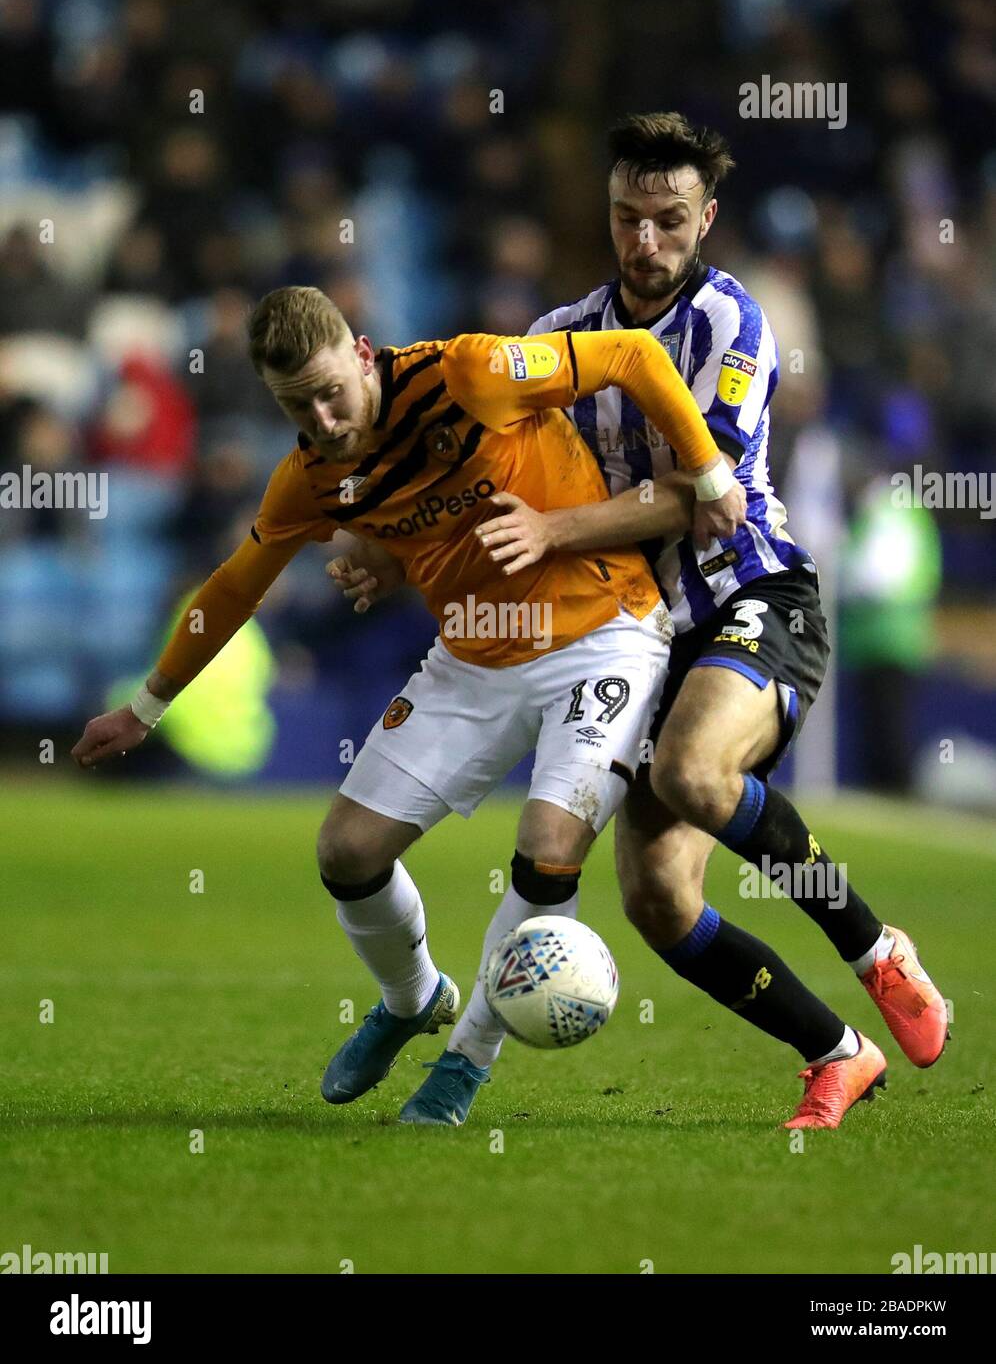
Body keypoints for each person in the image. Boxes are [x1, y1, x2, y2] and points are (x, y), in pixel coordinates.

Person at [335, 114, 948, 1131]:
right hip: (640, 633)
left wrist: (560, 526)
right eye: (629, 218)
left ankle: (877, 950)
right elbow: (476, 475)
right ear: (609, 215)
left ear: (705, 217)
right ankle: (838, 1054)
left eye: (669, 219)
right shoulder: (557, 338)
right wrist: (390, 550)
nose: (647, 241)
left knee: (693, 773)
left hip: (754, 598)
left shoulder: (733, 326)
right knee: (658, 903)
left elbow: (704, 498)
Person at [71, 283, 745, 1122]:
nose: (321, 418)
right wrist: (146, 706)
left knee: (547, 845)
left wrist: (710, 470)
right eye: (296, 406)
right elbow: (236, 586)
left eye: (330, 392)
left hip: (603, 632)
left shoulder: (470, 373)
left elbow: (633, 356)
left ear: (362, 353)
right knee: (346, 852)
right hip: (470, 656)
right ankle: (411, 999)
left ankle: (467, 1059)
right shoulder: (313, 476)